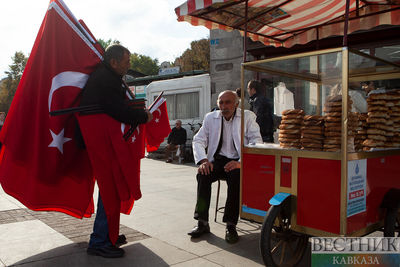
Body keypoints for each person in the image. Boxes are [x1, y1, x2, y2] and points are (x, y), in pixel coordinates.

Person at [80, 44, 152, 258]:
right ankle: (99, 241)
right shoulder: (105, 79)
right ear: (114, 62)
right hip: (102, 139)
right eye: (127, 62)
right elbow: (116, 109)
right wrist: (141, 116)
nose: (129, 66)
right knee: (109, 188)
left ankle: (108, 235)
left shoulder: (108, 76)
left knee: (111, 188)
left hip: (104, 139)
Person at [188, 90, 262, 243]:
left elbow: (257, 142)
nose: (224, 106)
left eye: (228, 102)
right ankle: (202, 222)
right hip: (218, 160)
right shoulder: (210, 118)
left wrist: (241, 162)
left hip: (238, 160)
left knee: (236, 178)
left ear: (236, 104)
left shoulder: (247, 117)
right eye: (221, 103)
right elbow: (198, 140)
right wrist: (203, 161)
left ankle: (230, 224)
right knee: (202, 175)